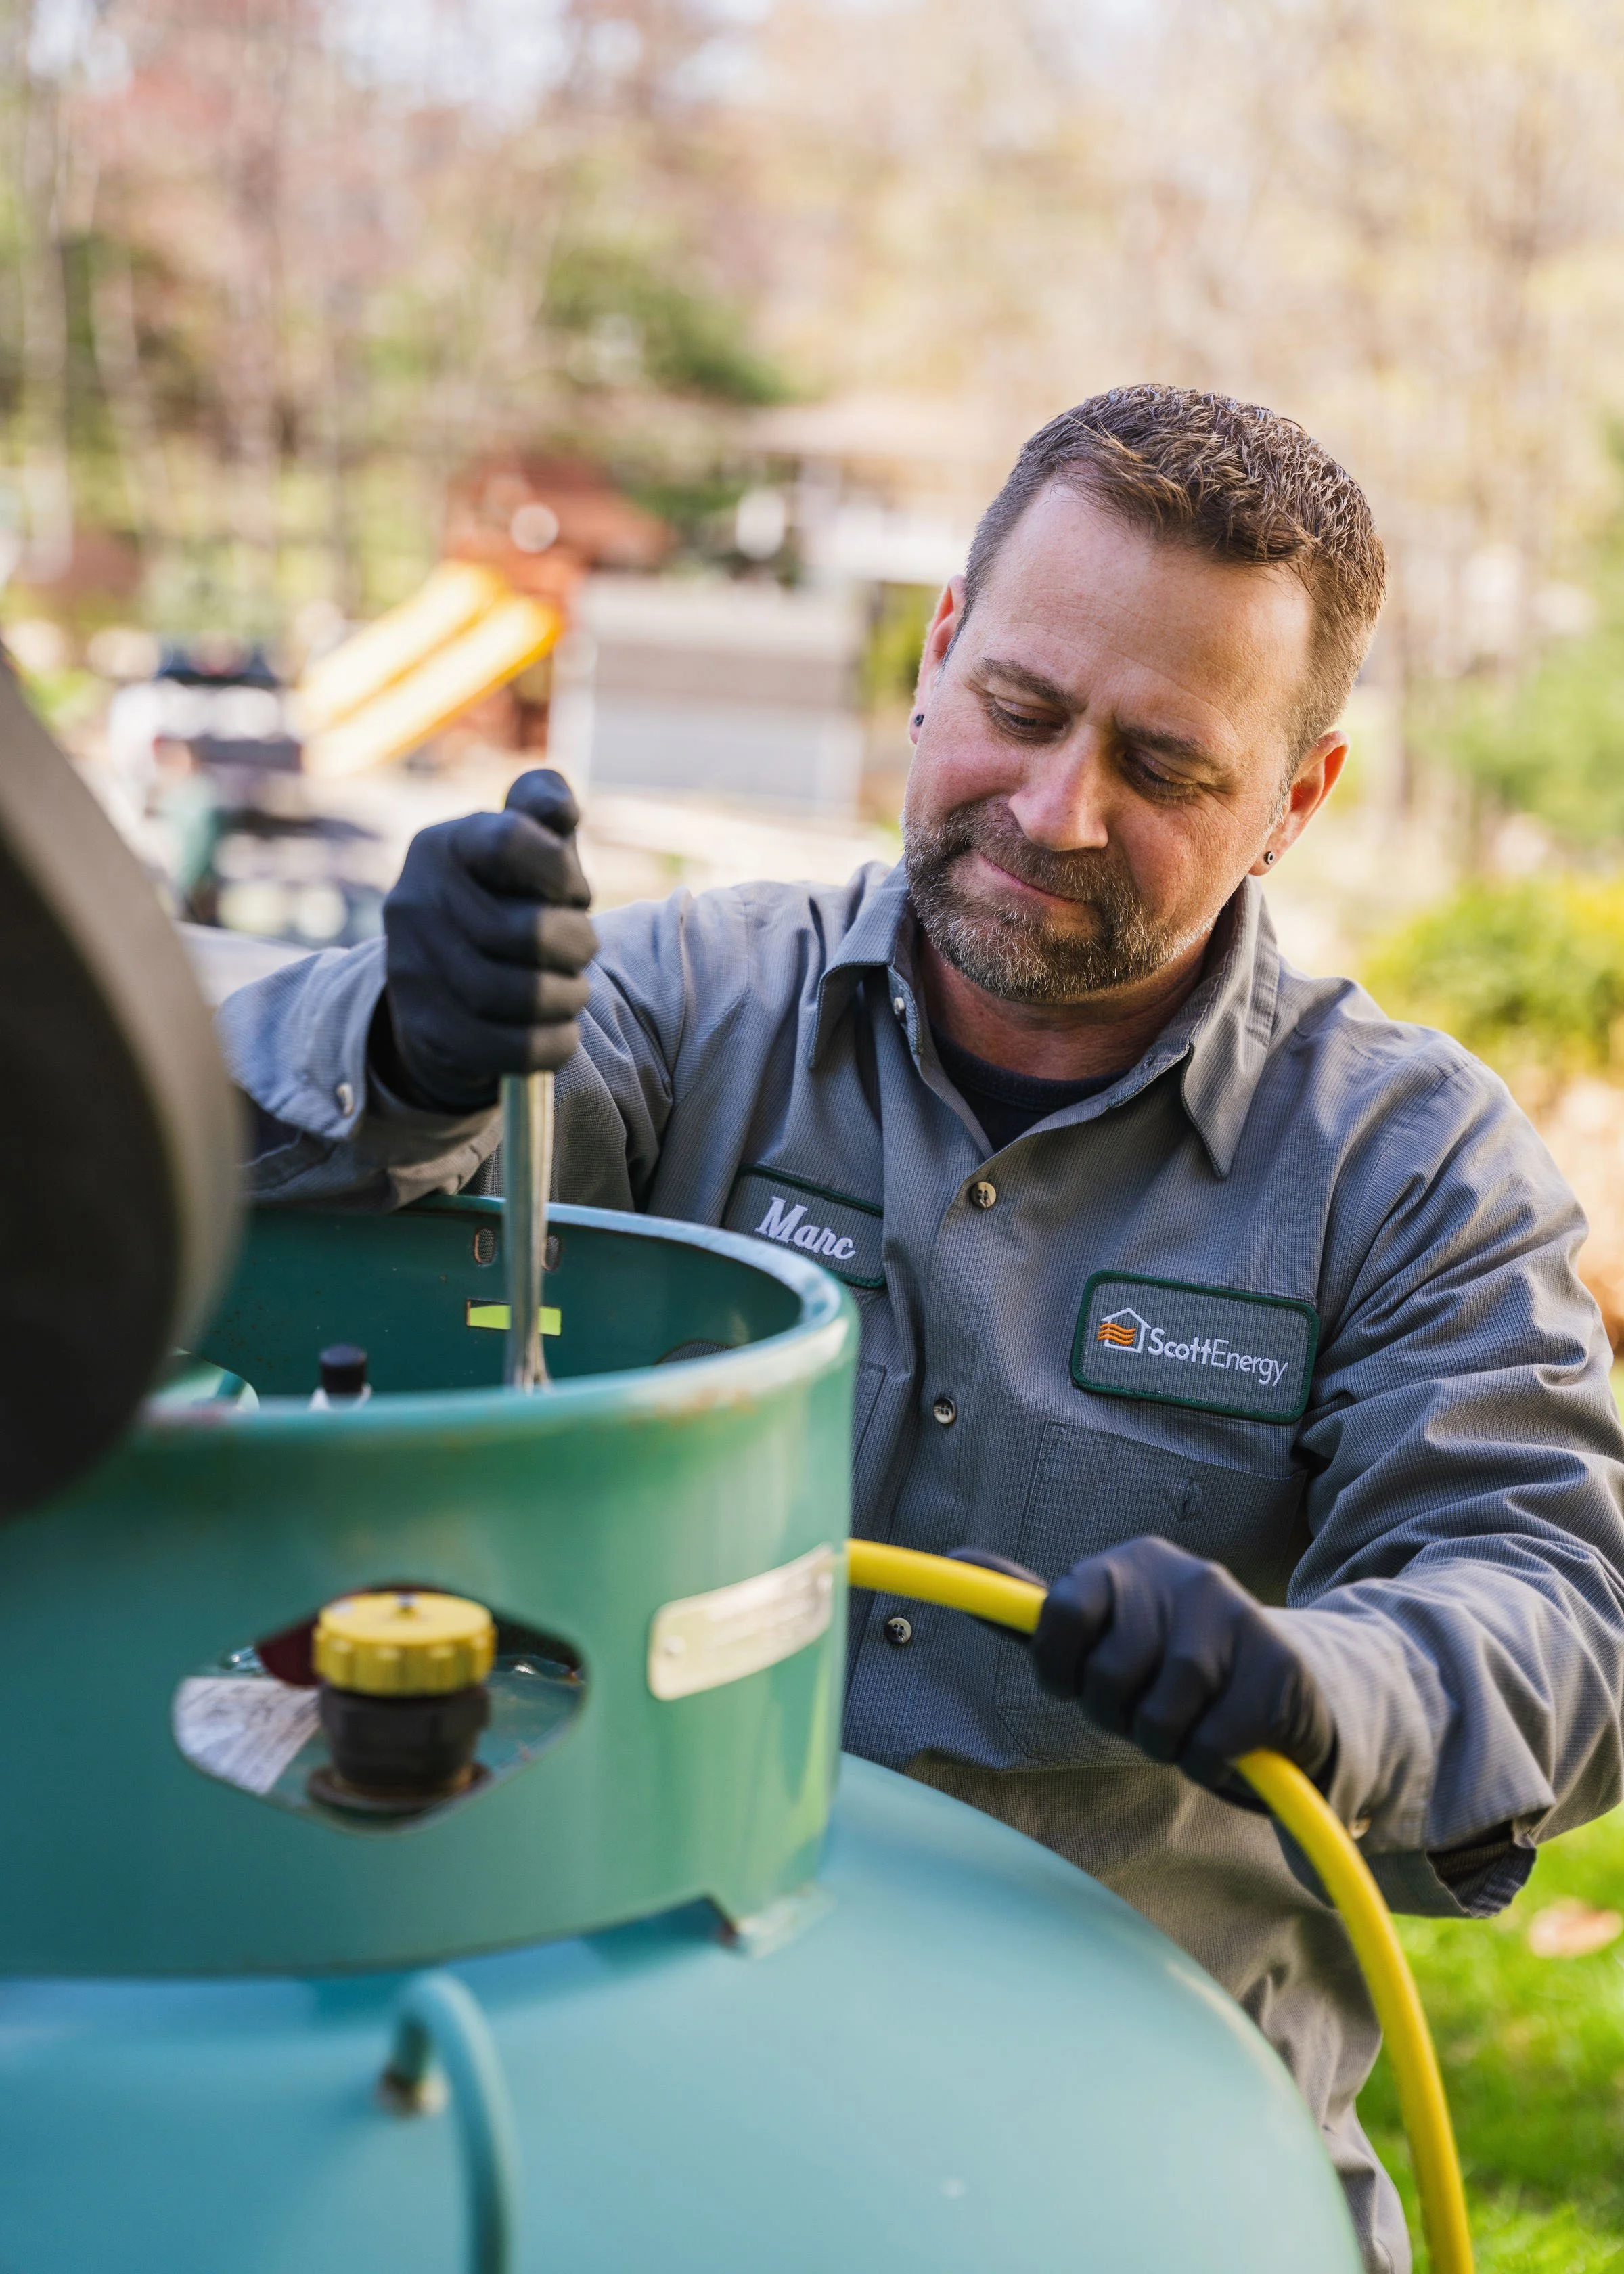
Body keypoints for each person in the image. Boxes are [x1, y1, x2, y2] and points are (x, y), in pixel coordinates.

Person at [220, 385, 1624, 2273]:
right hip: (638, 2117)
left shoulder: (1409, 1165)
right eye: (1025, 712)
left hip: (1139, 2166)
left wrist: (1327, 1685)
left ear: (1298, 797)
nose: (1057, 813)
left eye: (1166, 767)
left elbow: (1559, 1602)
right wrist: (400, 1041)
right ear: (940, 655)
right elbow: (185, 1167)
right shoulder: (687, 1009)